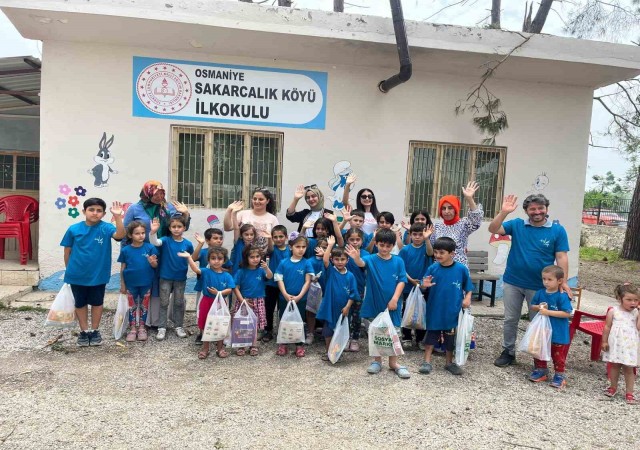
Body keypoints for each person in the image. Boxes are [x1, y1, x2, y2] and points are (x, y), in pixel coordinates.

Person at [489, 194, 570, 368]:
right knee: (511, 318)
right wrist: (503, 212)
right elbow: (493, 229)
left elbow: (561, 256)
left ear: (546, 209)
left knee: (539, 321)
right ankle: (508, 351)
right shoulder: (517, 224)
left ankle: (538, 356)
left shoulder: (557, 230)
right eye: (532, 209)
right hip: (513, 282)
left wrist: (563, 281)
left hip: (540, 287)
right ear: (527, 211)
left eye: (540, 208)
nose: (537, 212)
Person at [123, 180, 191, 328]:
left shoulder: (168, 207)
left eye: (162, 193)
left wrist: (186, 213)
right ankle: (144, 321)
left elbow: (181, 225)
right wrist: (128, 254)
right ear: (147, 192)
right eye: (156, 193)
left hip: (165, 249)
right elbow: (126, 232)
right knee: (146, 282)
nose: (159, 196)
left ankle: (161, 320)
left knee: (162, 283)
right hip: (142, 251)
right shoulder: (135, 209)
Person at [61, 198, 125, 347]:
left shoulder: (106, 228)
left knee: (97, 302)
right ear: (84, 211)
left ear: (103, 214)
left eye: (99, 211)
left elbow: (120, 235)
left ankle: (95, 330)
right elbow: (67, 252)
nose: (95, 213)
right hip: (77, 275)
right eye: (91, 210)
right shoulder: (73, 229)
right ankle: (84, 332)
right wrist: (69, 271)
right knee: (80, 303)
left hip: (98, 275)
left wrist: (117, 217)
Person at [345, 228, 409, 379]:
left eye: (388, 246)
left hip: (392, 305)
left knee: (393, 333)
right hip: (374, 303)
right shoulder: (371, 259)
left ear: (392, 245)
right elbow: (361, 263)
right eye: (381, 245)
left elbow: (402, 281)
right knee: (376, 333)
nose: (385, 249)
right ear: (377, 244)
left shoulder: (398, 261)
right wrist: (355, 258)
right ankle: (377, 361)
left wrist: (394, 299)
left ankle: (394, 363)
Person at [419, 237, 473, 376]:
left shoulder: (461, 269)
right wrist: (424, 285)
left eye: (441, 252)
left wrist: (467, 298)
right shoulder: (432, 268)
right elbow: (423, 284)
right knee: (431, 336)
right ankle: (426, 361)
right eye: (436, 252)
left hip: (452, 311)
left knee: (450, 339)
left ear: (452, 254)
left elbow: (469, 287)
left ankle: (449, 363)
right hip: (435, 309)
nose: (437, 255)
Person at [181, 247, 235, 360]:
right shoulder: (205, 271)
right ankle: (205, 348)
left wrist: (219, 292)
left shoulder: (227, 275)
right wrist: (189, 257)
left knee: (220, 324)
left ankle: (220, 348)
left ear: (224, 260)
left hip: (220, 303)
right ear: (209, 260)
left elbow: (230, 289)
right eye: (213, 258)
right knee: (206, 324)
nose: (216, 261)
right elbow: (195, 269)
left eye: (219, 258)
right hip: (206, 301)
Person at [149, 216, 196, 341]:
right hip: (165, 277)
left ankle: (178, 326)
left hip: (181, 278)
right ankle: (162, 327)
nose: (176, 229)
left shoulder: (188, 244)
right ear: (169, 228)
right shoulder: (165, 240)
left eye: (179, 226)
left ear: (184, 228)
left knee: (179, 303)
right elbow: (155, 242)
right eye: (173, 227)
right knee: (164, 302)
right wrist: (153, 232)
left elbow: (192, 257)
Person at [528, 265, 573, 389]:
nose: (546, 282)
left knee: (557, 355)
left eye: (549, 279)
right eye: (544, 279)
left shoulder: (562, 296)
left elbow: (567, 313)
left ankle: (559, 375)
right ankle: (541, 370)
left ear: (559, 281)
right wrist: (538, 307)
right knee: (539, 350)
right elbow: (532, 306)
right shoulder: (540, 292)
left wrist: (548, 312)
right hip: (543, 331)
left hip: (558, 333)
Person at [316, 236, 360, 362]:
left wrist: (347, 307)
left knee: (340, 331)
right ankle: (329, 352)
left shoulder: (350, 276)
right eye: (337, 259)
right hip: (330, 308)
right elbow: (325, 261)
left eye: (342, 259)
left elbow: (353, 293)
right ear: (332, 260)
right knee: (328, 331)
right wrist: (330, 245)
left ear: (347, 260)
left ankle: (337, 352)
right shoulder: (331, 271)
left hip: (344, 310)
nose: (340, 262)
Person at [274, 232, 315, 357]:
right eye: (298, 247)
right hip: (284, 298)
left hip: (300, 299)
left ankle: (299, 344)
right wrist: (285, 294)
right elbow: (279, 279)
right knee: (284, 320)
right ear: (291, 247)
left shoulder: (307, 263)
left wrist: (299, 296)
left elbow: (307, 281)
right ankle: (283, 344)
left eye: (303, 247)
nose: (301, 249)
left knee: (300, 321)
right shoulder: (283, 262)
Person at [118, 221, 159, 342]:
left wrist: (153, 263)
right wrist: (123, 284)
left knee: (144, 306)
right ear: (130, 235)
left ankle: (142, 327)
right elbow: (123, 268)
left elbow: (155, 265)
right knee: (132, 306)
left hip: (146, 283)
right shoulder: (126, 250)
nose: (141, 236)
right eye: (137, 233)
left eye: (143, 233)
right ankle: (132, 328)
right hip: (130, 284)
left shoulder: (150, 248)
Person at [602, 283, 640, 405]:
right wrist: (604, 341)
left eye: (636, 300)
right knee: (614, 366)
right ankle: (613, 387)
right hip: (616, 343)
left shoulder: (636, 313)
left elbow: (638, 327)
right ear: (620, 299)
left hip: (629, 345)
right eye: (629, 300)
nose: (632, 303)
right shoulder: (613, 311)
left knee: (629, 369)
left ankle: (629, 392)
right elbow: (607, 327)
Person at [429, 181, 482, 267]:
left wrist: (469, 199)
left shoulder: (463, 224)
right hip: (440, 269)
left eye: (450, 208)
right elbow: (432, 248)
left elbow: (476, 221)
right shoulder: (437, 226)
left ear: (456, 209)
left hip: (458, 269)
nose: (446, 211)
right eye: (443, 208)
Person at [398, 223, 434, 349]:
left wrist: (427, 238)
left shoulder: (426, 247)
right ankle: (406, 337)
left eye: (420, 234)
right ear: (410, 235)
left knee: (423, 311)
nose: (418, 237)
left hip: (424, 286)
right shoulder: (405, 250)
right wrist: (412, 280)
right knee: (407, 310)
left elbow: (430, 253)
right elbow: (401, 268)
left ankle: (420, 339)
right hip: (409, 286)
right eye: (415, 234)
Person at [233, 245, 272, 356]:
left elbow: (270, 276)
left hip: (258, 300)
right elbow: (235, 287)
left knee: (254, 323)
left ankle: (253, 344)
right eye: (252, 257)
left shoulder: (261, 270)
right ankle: (241, 345)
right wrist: (242, 300)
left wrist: (266, 268)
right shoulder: (241, 271)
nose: (255, 259)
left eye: (257, 256)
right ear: (246, 258)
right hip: (244, 301)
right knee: (243, 324)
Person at [192, 228, 227, 345]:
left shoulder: (223, 253)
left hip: (220, 290)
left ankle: (217, 334)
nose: (219, 241)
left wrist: (218, 269)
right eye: (215, 238)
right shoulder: (203, 252)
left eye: (221, 238)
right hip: (203, 288)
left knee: (218, 312)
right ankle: (201, 333)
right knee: (201, 311)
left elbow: (229, 269)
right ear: (208, 240)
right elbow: (193, 258)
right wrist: (200, 244)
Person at [223, 188, 279, 254]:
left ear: (267, 201)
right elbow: (227, 228)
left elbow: (275, 241)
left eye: (261, 199)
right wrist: (229, 210)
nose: (257, 201)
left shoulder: (273, 219)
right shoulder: (243, 214)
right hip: (242, 255)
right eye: (254, 199)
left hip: (261, 258)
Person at [263, 225, 290, 342]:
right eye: (275, 237)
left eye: (281, 236)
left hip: (286, 284)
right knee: (268, 308)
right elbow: (269, 249)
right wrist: (269, 238)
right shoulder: (272, 250)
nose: (278, 239)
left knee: (283, 308)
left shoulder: (291, 250)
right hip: (271, 284)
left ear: (286, 237)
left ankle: (283, 329)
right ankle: (268, 330)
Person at [343, 228, 368, 352]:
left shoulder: (366, 255)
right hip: (343, 290)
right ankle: (345, 338)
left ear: (362, 241)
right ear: (347, 240)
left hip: (359, 290)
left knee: (357, 315)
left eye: (357, 239)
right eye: (351, 239)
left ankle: (355, 339)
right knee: (344, 314)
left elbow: (365, 268)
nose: (354, 242)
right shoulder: (342, 253)